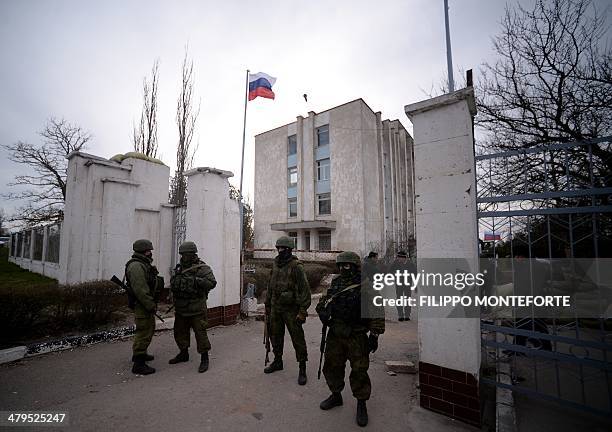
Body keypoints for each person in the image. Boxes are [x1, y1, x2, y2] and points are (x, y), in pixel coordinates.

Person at [316, 251, 385, 427]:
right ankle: (336, 395)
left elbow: (377, 311)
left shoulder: (366, 285)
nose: (342, 269)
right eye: (340, 266)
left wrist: (374, 335)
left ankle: (361, 403)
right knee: (332, 367)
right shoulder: (336, 283)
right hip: (336, 334)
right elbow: (324, 301)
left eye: (346, 265)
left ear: (354, 267)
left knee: (359, 371)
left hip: (357, 335)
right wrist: (323, 311)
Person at [264, 236, 311, 385]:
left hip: (291, 310)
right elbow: (270, 285)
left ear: (290, 249)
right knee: (275, 336)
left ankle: (302, 368)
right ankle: (278, 361)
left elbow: (305, 290)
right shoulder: (275, 264)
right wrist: (267, 304)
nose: (280, 250)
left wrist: (303, 311)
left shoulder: (296, 266)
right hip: (275, 308)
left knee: (298, 339)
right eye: (278, 248)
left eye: (283, 248)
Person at [168, 241, 217, 373]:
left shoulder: (202, 268)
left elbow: (212, 283)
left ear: (192, 254)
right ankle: (183, 353)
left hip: (197, 309)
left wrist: (197, 281)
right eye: (182, 254)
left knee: (200, 334)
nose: (183, 257)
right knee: (180, 333)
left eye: (186, 254)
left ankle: (204, 358)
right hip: (181, 308)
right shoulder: (179, 268)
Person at [125, 239, 161, 375]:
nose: (150, 253)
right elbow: (140, 289)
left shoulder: (142, 264)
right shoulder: (136, 267)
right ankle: (138, 364)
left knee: (148, 329)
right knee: (144, 331)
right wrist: (150, 304)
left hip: (144, 304)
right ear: (143, 251)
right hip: (142, 304)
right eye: (148, 250)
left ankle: (141, 354)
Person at [390, 250, 416, 321]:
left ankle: (407, 315)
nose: (398, 259)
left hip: (408, 284)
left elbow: (415, 274)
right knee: (399, 299)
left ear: (403, 258)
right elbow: (390, 271)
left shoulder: (410, 264)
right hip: (399, 284)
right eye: (398, 257)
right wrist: (395, 274)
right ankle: (400, 315)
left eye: (399, 257)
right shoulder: (396, 263)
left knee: (408, 299)